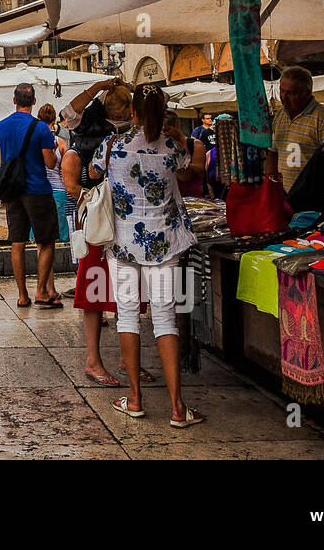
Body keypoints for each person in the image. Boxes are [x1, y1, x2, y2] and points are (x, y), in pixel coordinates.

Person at [93, 83, 204, 428]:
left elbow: (93, 173)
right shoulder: (173, 145)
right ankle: (177, 407)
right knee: (165, 318)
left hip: (123, 243)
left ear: (132, 112)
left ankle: (136, 399)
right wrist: (184, 139)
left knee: (127, 317)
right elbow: (192, 171)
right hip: (165, 243)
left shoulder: (113, 145)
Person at [65, 85, 133, 385]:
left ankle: (126, 358)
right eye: (118, 110)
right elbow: (69, 111)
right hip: (96, 218)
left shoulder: (132, 125)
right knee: (94, 287)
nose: (123, 115)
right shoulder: (86, 126)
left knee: (127, 290)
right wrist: (101, 86)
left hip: (124, 218)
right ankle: (93, 361)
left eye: (126, 110)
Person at [0, 84, 60, 309]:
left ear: (14, 100)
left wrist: (2, 189)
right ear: (34, 101)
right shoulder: (41, 128)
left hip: (12, 192)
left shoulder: (0, 127)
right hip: (37, 189)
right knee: (46, 241)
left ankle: (22, 295)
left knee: (17, 242)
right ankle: (41, 291)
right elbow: (50, 163)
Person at [267, 65, 324, 191]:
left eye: (290, 93)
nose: (283, 97)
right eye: (282, 91)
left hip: (311, 196)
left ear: (306, 93)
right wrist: (271, 184)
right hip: (283, 195)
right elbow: (273, 153)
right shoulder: (279, 116)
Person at [37, 103, 70, 250]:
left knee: (39, 236)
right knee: (60, 235)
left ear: (38, 119)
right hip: (59, 191)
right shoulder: (61, 142)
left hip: (38, 191)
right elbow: (67, 169)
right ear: (54, 121)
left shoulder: (33, 141)